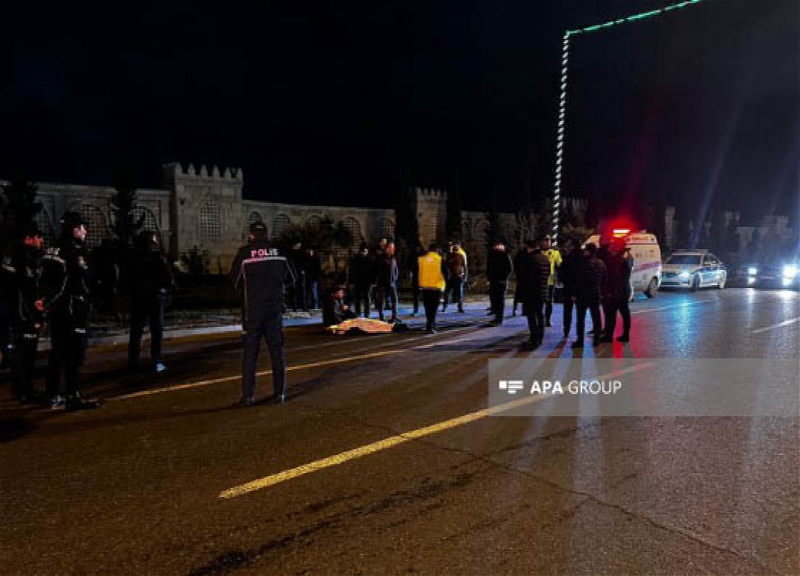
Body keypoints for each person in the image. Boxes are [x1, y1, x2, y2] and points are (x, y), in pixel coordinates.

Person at [38, 212, 100, 410]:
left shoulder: (52, 248)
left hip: (57, 310)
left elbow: (43, 279)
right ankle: (73, 396)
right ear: (74, 229)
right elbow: (77, 280)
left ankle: (52, 394)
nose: (85, 231)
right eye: (82, 227)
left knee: (58, 353)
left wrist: (46, 303)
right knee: (75, 354)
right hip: (72, 309)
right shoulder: (74, 250)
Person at [230, 222, 295, 406]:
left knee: (250, 354)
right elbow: (292, 278)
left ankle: (248, 396)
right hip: (274, 311)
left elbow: (233, 282)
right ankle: (279, 394)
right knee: (277, 353)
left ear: (251, 236)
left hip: (253, 312)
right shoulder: (280, 253)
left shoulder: (244, 254)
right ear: (267, 235)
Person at [1, 224, 45, 403]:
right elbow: (22, 292)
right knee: (25, 353)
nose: (41, 241)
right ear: (29, 238)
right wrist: (31, 317)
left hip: (14, 313)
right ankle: (24, 392)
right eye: (38, 237)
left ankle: (22, 390)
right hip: (21, 314)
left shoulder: (13, 254)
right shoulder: (22, 256)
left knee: (21, 353)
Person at [127, 231, 173, 373]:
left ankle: (133, 361)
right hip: (154, 297)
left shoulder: (133, 258)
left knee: (136, 330)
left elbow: (126, 278)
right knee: (156, 330)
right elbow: (167, 278)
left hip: (138, 297)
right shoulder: (157, 258)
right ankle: (156, 361)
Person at [573, 243, 606, 349]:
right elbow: (605, 279)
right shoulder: (601, 263)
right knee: (596, 317)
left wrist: (574, 294)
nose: (584, 252)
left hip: (583, 295)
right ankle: (597, 339)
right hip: (596, 293)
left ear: (588, 251)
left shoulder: (582, 263)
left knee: (580, 318)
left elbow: (578, 280)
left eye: (585, 250)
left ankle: (580, 341)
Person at [519, 239, 550, 349]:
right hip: (543, 291)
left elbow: (527, 277)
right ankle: (540, 338)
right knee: (540, 315)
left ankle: (533, 339)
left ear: (530, 248)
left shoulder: (531, 259)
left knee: (532, 316)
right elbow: (548, 274)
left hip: (532, 292)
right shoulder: (545, 258)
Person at [602, 239, 634, 342]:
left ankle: (609, 336)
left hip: (617, 288)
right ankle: (625, 335)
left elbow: (615, 274)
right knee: (624, 312)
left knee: (611, 312)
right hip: (624, 287)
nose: (612, 247)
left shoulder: (620, 257)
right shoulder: (628, 255)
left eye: (614, 245)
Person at [418, 243, 448, 333]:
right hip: (436, 287)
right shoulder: (440, 260)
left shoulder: (421, 259)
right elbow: (446, 273)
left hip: (425, 287)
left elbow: (417, 271)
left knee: (427, 307)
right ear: (437, 250)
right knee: (434, 308)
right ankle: (432, 325)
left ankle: (428, 324)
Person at [558, 237, 582, 339]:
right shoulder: (584, 258)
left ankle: (566, 331)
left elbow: (561, 274)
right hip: (581, 290)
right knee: (581, 313)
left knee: (567, 312)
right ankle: (579, 334)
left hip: (568, 289)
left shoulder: (567, 258)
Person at [486, 241, 513, 325]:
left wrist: (504, 278)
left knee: (500, 300)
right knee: (494, 299)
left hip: (501, 281)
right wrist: (489, 278)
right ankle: (496, 315)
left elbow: (510, 269)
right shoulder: (491, 256)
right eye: (496, 246)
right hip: (493, 280)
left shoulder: (505, 255)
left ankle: (499, 318)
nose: (497, 247)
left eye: (499, 246)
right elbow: (488, 268)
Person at [541, 235, 563, 327]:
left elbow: (560, 264)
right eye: (545, 240)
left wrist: (559, 277)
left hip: (550, 281)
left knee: (549, 302)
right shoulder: (539, 252)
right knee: (540, 301)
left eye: (548, 240)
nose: (546, 242)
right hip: (540, 281)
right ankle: (539, 318)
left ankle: (547, 319)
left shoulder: (555, 253)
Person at [375, 241, 399, 323]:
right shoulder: (381, 258)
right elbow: (378, 271)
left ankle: (394, 317)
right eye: (391, 247)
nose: (393, 249)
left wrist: (394, 278)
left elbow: (396, 270)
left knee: (394, 300)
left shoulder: (393, 258)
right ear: (387, 248)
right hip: (383, 283)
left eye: (393, 247)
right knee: (381, 301)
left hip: (392, 283)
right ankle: (381, 316)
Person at [349, 242, 374, 318]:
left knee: (367, 299)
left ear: (367, 251)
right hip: (357, 281)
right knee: (357, 299)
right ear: (360, 251)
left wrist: (373, 282)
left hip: (367, 282)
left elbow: (373, 271)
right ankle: (358, 313)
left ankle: (367, 314)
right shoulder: (356, 258)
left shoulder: (371, 259)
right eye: (362, 251)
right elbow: (352, 271)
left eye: (365, 251)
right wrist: (351, 281)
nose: (363, 253)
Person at [443, 244, 467, 313]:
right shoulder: (449, 256)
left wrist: (465, 276)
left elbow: (465, 266)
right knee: (447, 293)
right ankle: (445, 306)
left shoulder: (461, 256)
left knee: (459, 293)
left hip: (459, 277)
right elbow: (446, 266)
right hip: (451, 277)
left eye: (456, 250)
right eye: (454, 250)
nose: (455, 251)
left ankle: (460, 307)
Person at [287, 242, 306, 312]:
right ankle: (299, 307)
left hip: (296, 274)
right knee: (297, 291)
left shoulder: (294, 254)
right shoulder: (297, 254)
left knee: (297, 291)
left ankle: (297, 307)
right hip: (295, 274)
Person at [512, 244, 529, 316]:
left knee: (518, 294)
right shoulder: (528, 255)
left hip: (521, 276)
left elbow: (515, 264)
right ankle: (523, 310)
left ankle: (515, 309)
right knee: (525, 294)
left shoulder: (520, 254)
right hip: (525, 276)